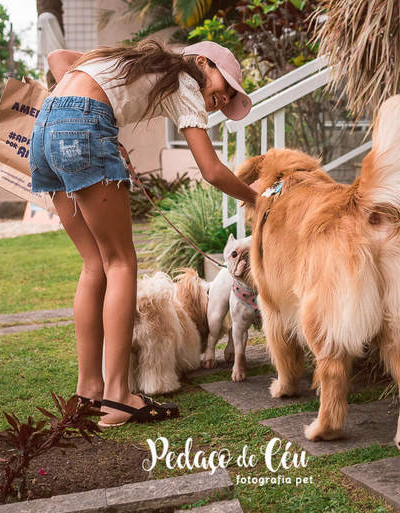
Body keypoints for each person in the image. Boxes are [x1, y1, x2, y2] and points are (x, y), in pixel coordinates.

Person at [39, 41, 258, 427]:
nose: (223, 100)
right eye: (226, 87)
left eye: (228, 101)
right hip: (82, 125)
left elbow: (58, 59)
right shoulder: (186, 83)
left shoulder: (135, 59)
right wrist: (257, 197)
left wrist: (75, 117)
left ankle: (88, 392)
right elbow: (212, 170)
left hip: (43, 130)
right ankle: (118, 397)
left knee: (95, 264)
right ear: (202, 62)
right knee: (120, 262)